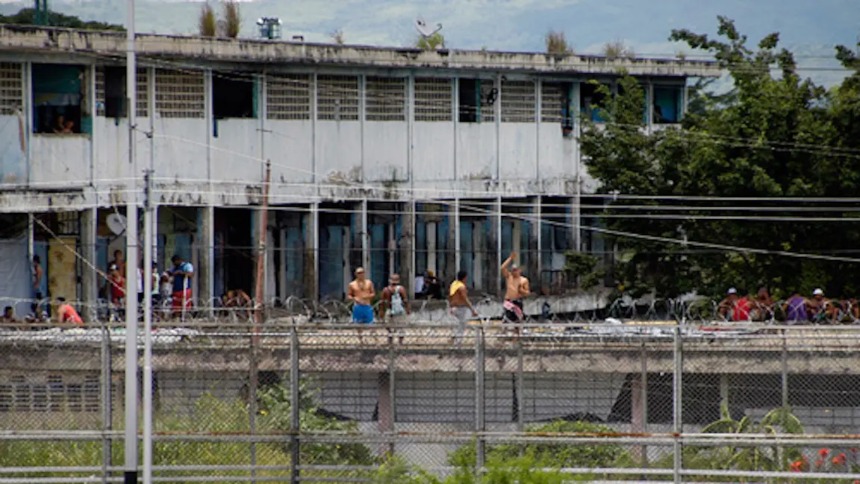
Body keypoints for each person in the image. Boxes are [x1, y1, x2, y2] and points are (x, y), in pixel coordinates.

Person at [501, 252, 531, 326]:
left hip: (517, 301)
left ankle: (516, 336)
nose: (514, 272)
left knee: (517, 323)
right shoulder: (509, 277)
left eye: (516, 270)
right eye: (513, 270)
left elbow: (528, 292)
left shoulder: (523, 280)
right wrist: (510, 258)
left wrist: (521, 290)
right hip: (508, 301)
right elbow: (502, 268)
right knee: (506, 321)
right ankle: (506, 336)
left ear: (519, 270)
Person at [449, 270, 478, 342]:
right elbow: (465, 299)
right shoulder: (461, 287)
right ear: (464, 278)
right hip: (460, 308)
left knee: (456, 324)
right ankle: (457, 341)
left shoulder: (454, 284)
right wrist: (472, 310)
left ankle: (454, 337)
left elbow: (450, 296)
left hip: (453, 307)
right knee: (462, 325)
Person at [380, 274, 410, 344]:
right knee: (401, 327)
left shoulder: (385, 290)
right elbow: (405, 300)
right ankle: (400, 342)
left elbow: (382, 302)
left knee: (389, 327)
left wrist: (381, 311)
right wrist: (407, 309)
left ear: (389, 280)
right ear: (398, 281)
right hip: (399, 311)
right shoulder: (401, 289)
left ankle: (390, 341)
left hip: (390, 310)